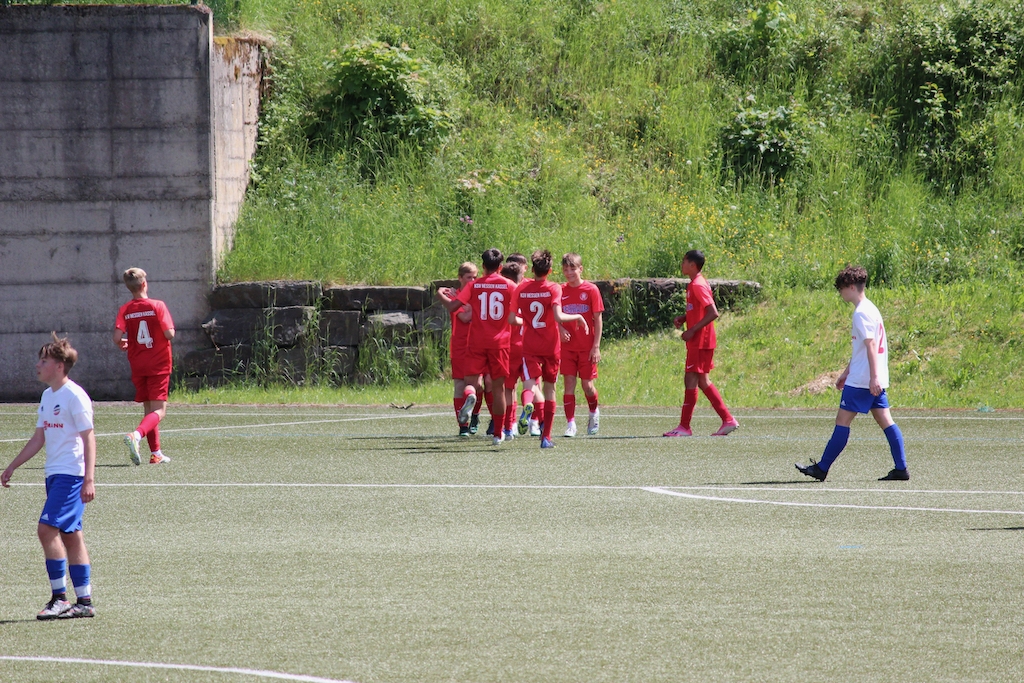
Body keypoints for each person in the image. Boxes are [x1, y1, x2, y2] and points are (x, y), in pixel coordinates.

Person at [2, 334, 96, 620]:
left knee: (46, 530)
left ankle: (60, 598)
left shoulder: (75, 395)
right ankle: (85, 602)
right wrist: (12, 466)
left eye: (43, 361)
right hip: (54, 474)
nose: (37, 365)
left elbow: (89, 437)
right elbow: (38, 438)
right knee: (71, 535)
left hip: (72, 475)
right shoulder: (47, 396)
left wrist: (89, 478)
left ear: (58, 366)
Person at [796, 265, 909, 481]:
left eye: (841, 288)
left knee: (843, 421)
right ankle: (901, 468)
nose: (840, 293)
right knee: (885, 420)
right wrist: (846, 372)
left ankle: (822, 468)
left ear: (850, 287)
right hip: (866, 376)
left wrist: (872, 377)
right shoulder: (871, 308)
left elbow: (871, 345)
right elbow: (861, 349)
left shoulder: (861, 313)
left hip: (863, 380)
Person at [509, 250, 589, 449]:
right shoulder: (554, 288)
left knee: (530, 386)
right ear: (550, 271)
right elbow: (559, 316)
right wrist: (578, 317)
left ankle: (528, 407)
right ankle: (546, 438)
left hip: (530, 346)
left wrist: (526, 322)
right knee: (550, 389)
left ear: (533, 269)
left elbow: (511, 319)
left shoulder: (522, 287)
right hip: (551, 346)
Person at [438, 248, 516, 446]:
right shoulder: (509, 285)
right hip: (500, 344)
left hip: (476, 343)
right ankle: (498, 433)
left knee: (470, 383)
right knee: (498, 389)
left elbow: (453, 308)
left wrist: (441, 295)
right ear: (500, 267)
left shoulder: (474, 286)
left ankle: (471, 396)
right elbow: (518, 312)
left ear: (482, 266)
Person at [663, 250, 739, 437]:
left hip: (700, 341)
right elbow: (699, 310)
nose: (681, 265)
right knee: (702, 380)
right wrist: (684, 317)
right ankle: (727, 420)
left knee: (690, 379)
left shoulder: (697, 285)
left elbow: (713, 312)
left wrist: (692, 330)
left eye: (684, 261)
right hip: (701, 340)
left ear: (692, 265)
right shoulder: (695, 284)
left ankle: (684, 427)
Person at [114, 267, 174, 465]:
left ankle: (156, 453)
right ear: (144, 284)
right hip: (158, 363)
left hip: (138, 364)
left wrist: (126, 342)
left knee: (149, 410)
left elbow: (117, 338)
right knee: (160, 411)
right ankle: (136, 435)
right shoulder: (158, 305)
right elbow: (169, 334)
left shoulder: (125, 309)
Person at [559, 253, 604, 437]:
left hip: (586, 347)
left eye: (573, 269)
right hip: (567, 348)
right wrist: (560, 328)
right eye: (565, 269)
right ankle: (571, 424)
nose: (569, 273)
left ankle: (594, 412)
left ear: (580, 269)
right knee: (568, 384)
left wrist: (596, 346)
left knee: (587, 386)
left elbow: (598, 319)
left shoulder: (591, 290)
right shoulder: (560, 290)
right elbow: (553, 314)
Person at [445, 262, 478, 436]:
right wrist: (477, 309)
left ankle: (475, 415)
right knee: (459, 385)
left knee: (478, 385)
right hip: (459, 346)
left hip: (477, 344)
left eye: (475, 277)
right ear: (460, 278)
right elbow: (464, 317)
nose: (472, 281)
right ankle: (463, 425)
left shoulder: (478, 293)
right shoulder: (455, 296)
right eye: (468, 277)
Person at [500, 256, 528, 441]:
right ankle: (532, 416)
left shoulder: (504, 296)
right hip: (526, 346)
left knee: (508, 388)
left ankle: (508, 426)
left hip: (508, 346)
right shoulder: (526, 293)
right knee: (531, 385)